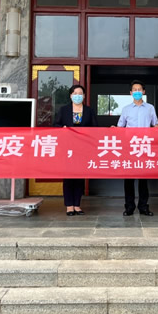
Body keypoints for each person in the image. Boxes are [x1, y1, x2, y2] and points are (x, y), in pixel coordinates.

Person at [54, 84, 98, 216]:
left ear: (84, 96)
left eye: (80, 93)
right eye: (75, 93)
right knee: (68, 176)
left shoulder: (89, 111)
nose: (78, 96)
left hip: (83, 148)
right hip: (67, 147)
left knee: (79, 176)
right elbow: (55, 125)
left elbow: (95, 128)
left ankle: (77, 205)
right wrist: (62, 129)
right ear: (71, 95)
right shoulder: (64, 110)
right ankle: (69, 205)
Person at [117, 80, 158, 216]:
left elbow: (155, 124)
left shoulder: (150, 108)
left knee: (143, 178)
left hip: (145, 146)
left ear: (143, 92)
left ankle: (143, 206)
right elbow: (120, 127)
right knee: (129, 178)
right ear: (131, 93)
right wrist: (114, 129)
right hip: (130, 146)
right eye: (134, 90)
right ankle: (129, 207)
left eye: (139, 89)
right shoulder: (126, 109)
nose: (137, 92)